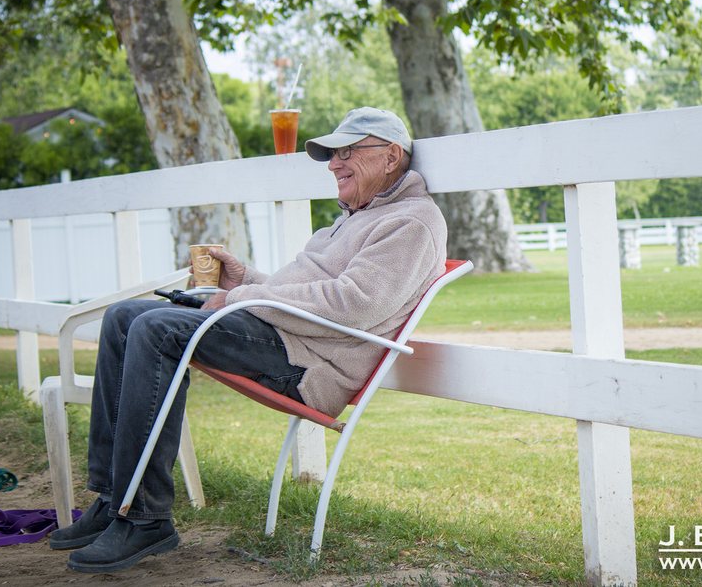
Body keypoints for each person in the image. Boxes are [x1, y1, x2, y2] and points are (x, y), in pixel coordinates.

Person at [49, 107, 448, 573]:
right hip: (285, 337)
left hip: (310, 364)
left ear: (391, 156)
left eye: (347, 152)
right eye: (332, 155)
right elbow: (295, 292)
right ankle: (112, 496)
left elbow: (352, 303)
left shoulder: (411, 223)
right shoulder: (351, 218)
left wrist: (242, 296)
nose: (334, 164)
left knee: (157, 329)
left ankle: (144, 517)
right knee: (123, 317)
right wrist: (246, 278)